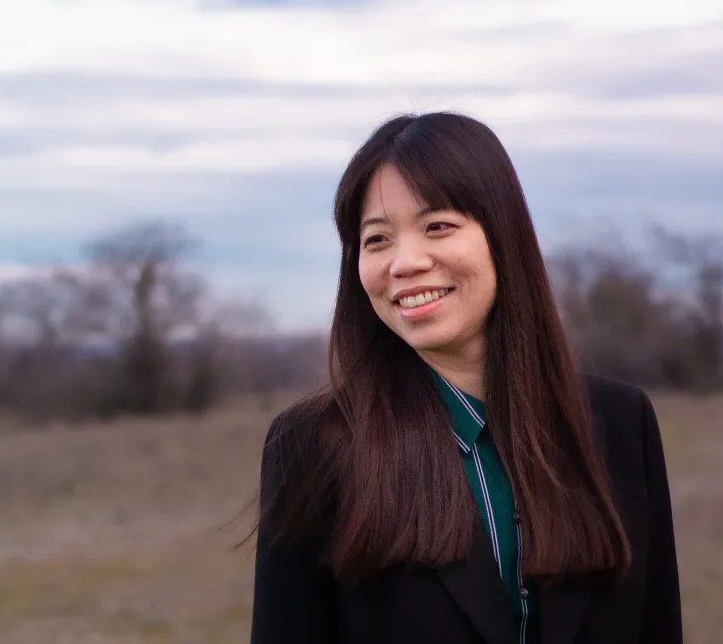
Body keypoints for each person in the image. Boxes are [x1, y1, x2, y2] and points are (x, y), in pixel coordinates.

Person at [250, 112, 682, 644]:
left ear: (502, 236)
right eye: (377, 239)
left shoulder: (620, 424)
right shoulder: (312, 447)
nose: (405, 263)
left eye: (437, 226)